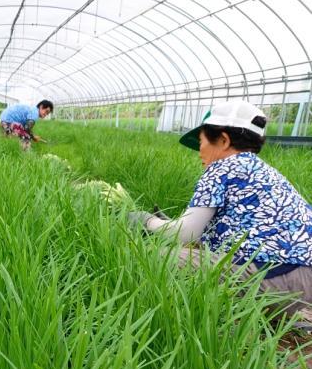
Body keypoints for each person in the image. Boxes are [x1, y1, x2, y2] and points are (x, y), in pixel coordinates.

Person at [129, 99, 312, 319]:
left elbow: (186, 233)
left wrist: (147, 221)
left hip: (270, 277)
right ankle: (263, 313)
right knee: (197, 252)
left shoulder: (221, 168)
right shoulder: (264, 171)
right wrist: (172, 224)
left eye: (201, 142)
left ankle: (195, 318)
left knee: (152, 256)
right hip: (303, 281)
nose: (199, 151)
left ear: (224, 140)